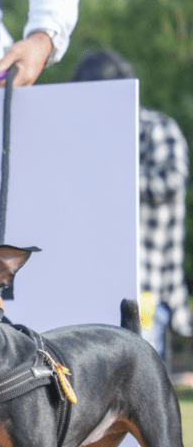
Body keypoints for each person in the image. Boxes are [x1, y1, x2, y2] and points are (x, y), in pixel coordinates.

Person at [72, 48, 190, 358]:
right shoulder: (84, 135)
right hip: (92, 281)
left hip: (145, 284)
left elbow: (172, 181)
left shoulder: (155, 128)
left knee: (142, 376)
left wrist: (109, 175)